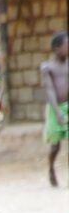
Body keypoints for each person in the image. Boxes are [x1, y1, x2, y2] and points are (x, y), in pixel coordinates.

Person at [42, 31, 69, 186]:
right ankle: (51, 168)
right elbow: (50, 90)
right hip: (54, 108)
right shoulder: (48, 67)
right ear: (57, 48)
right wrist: (58, 112)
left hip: (67, 105)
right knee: (55, 145)